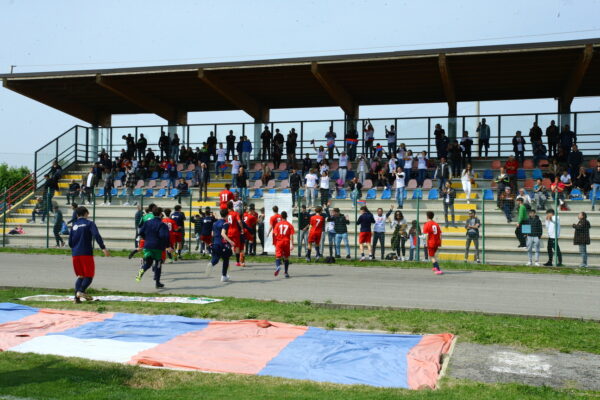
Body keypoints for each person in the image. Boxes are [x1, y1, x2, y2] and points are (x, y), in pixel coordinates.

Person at [69, 206, 110, 303]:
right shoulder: (89, 223)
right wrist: (103, 248)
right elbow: (96, 235)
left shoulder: (74, 225)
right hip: (86, 253)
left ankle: (76, 298)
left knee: (81, 276)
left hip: (75, 254)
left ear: (77, 215)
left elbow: (70, 243)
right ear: (86, 213)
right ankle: (81, 291)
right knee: (89, 276)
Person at [206, 209, 235, 282]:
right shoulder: (225, 224)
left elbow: (212, 234)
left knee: (216, 257)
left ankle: (212, 263)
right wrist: (230, 241)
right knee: (226, 258)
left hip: (215, 243)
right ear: (227, 215)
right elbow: (223, 233)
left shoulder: (215, 223)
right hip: (223, 244)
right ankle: (223, 276)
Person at [273, 211, 295, 278]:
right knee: (286, 257)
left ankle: (278, 266)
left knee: (278, 256)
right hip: (286, 242)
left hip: (279, 241)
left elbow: (275, 234)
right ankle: (286, 272)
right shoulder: (289, 225)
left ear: (281, 217)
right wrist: (292, 244)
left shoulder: (278, 224)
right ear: (287, 216)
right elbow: (291, 235)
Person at [226, 201, 245, 267]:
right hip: (235, 231)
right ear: (232, 206)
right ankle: (237, 262)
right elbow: (239, 221)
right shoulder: (235, 213)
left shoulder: (227, 214)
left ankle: (227, 261)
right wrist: (242, 228)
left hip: (228, 231)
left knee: (228, 246)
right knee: (237, 247)